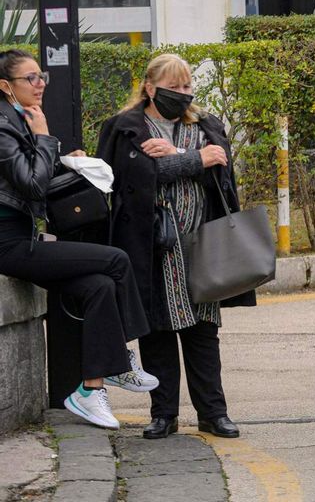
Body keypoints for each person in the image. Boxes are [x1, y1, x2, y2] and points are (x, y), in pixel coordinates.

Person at [97, 53, 255, 440]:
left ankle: (213, 414)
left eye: (187, 87)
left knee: (203, 332)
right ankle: (163, 414)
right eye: (174, 87)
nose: (183, 94)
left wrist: (179, 157)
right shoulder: (125, 128)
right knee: (157, 332)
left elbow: (221, 171)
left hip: (201, 243)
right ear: (150, 88)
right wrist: (195, 160)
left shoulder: (207, 125)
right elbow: (134, 179)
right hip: (151, 246)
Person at [0, 49, 156, 429]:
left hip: (25, 239)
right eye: (30, 79)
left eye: (42, 77)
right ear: (6, 86)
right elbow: (32, 184)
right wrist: (45, 138)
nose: (40, 85)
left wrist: (63, 158)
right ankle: (119, 356)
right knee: (115, 260)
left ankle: (89, 390)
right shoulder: (4, 126)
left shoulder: (19, 119)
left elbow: (30, 176)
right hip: (8, 245)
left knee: (100, 286)